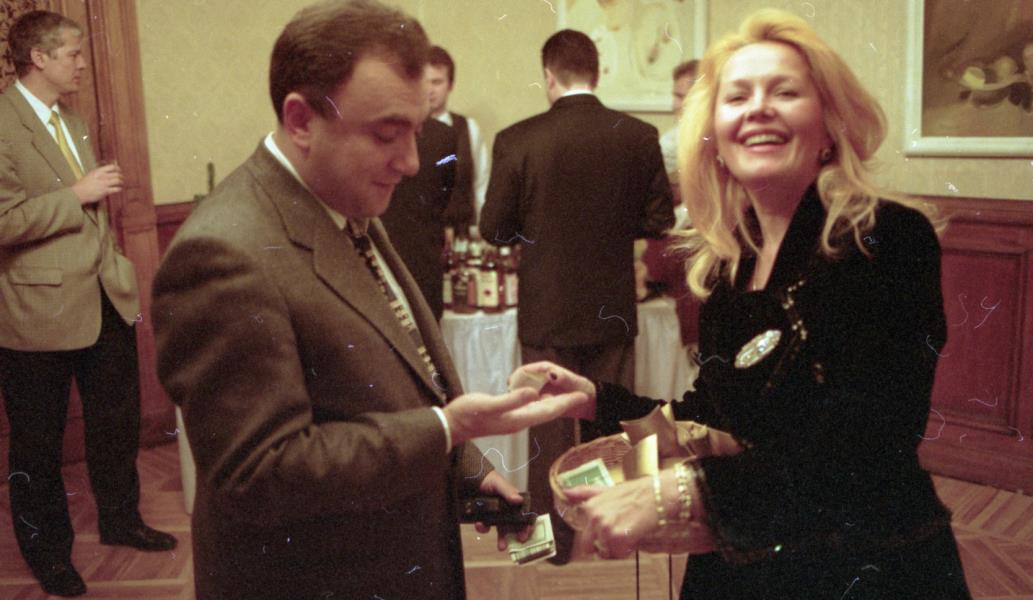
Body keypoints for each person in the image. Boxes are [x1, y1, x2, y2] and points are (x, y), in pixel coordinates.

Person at [515, 9, 972, 598]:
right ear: (715, 138)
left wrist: (684, 492)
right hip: (744, 559)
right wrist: (598, 399)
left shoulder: (884, 237)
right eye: (737, 97)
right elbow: (711, 418)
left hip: (863, 566)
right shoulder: (730, 264)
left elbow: (869, 445)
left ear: (829, 126)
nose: (758, 108)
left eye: (784, 92)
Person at [150, 2, 585, 599]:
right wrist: (444, 430)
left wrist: (465, 469)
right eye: (386, 134)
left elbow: (386, 382)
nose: (411, 162)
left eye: (416, 130)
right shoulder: (223, 253)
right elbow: (259, 473)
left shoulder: (346, 202)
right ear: (300, 120)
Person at [480, 28, 673, 563]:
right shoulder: (638, 136)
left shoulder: (518, 139)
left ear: (549, 76)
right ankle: (618, 535)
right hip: (613, 305)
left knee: (548, 431)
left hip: (546, 306)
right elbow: (660, 219)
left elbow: (494, 229)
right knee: (614, 425)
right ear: (597, 72)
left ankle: (555, 546)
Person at [0, 10, 176, 597]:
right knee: (37, 444)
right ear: (38, 58)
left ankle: (121, 521)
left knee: (116, 423)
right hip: (38, 309)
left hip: (105, 296)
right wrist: (77, 193)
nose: (81, 63)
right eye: (72, 53)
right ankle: (49, 557)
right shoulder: (2, 124)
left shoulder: (71, 121)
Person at [380, 116, 457, 320]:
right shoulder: (444, 134)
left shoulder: (444, 134)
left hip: (399, 248)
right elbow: (445, 194)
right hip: (423, 251)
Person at [426, 45, 490, 230]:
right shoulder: (407, 131)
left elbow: (481, 185)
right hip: (420, 236)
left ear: (450, 85)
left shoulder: (469, 128)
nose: (429, 90)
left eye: (437, 82)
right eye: (424, 82)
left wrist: (482, 229)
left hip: (461, 234)